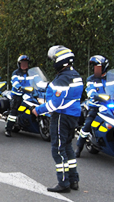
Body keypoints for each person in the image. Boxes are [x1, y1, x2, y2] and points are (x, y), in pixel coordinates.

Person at [32, 45, 83, 193]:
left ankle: (63, 183)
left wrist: (38, 110)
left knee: (58, 150)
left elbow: (56, 103)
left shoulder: (63, 78)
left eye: (54, 59)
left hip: (62, 116)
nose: (53, 62)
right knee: (68, 147)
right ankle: (74, 180)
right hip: (72, 115)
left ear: (61, 60)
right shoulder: (75, 75)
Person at [75, 55, 114, 157]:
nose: (95, 69)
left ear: (104, 67)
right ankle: (79, 147)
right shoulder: (91, 79)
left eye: (98, 67)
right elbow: (89, 90)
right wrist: (93, 94)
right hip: (96, 105)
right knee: (87, 124)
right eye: (94, 67)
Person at [5, 55, 34, 137]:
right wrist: (20, 87)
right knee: (14, 111)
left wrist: (44, 85)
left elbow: (37, 81)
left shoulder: (31, 73)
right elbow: (14, 82)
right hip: (17, 94)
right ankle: (8, 129)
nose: (24, 65)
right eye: (22, 63)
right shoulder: (16, 73)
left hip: (29, 94)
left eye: (26, 63)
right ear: (19, 64)